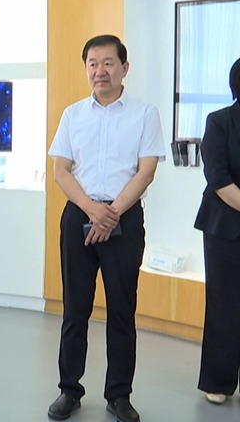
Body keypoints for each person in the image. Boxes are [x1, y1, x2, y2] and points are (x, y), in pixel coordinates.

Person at [46, 35, 165, 422]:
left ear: (124, 68)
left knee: (122, 310)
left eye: (108, 63)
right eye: (93, 63)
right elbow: (61, 170)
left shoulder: (145, 114)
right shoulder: (73, 114)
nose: (100, 71)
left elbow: (146, 171)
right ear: (86, 69)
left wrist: (110, 213)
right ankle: (69, 389)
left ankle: (119, 395)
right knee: (75, 309)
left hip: (123, 219)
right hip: (78, 216)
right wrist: (92, 210)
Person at [194, 53, 240, 411]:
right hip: (226, 227)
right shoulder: (220, 121)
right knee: (224, 304)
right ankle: (218, 381)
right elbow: (218, 179)